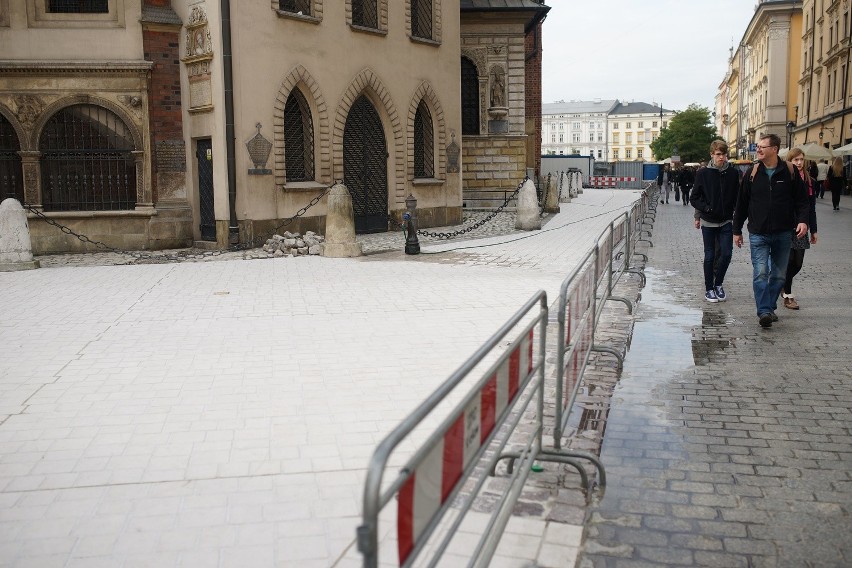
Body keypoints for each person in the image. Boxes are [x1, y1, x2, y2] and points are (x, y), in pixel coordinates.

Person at [733, 134, 809, 328]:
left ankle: (768, 307)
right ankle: (764, 311)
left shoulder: (789, 171)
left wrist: (802, 221)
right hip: (758, 232)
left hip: (783, 233)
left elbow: (802, 200)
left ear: (774, 149)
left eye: (761, 147)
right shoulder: (752, 173)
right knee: (760, 272)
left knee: (779, 275)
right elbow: (741, 204)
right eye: (757, 147)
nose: (757, 150)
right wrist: (737, 230)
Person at [690, 140, 740, 303]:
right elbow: (695, 197)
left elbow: (737, 197)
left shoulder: (732, 173)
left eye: (724, 154)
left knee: (726, 254)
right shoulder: (703, 173)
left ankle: (718, 284)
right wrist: (706, 209)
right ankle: (709, 288)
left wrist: (735, 213)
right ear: (712, 154)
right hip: (709, 222)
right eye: (718, 154)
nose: (722, 157)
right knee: (710, 256)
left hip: (726, 221)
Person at [780, 148, 818, 310]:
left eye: (801, 159)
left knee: (798, 263)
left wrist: (814, 230)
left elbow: (811, 208)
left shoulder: (809, 181)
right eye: (796, 160)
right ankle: (788, 295)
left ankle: (780, 283)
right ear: (790, 161)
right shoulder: (785, 178)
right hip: (786, 226)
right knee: (789, 261)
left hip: (802, 227)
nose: (799, 163)